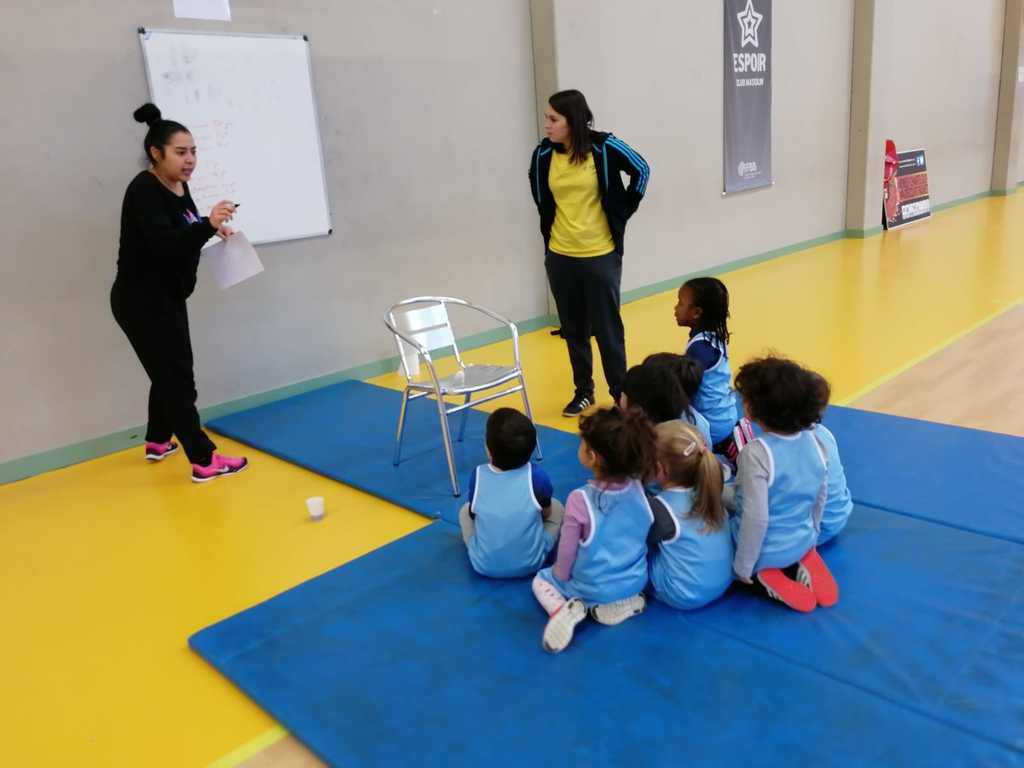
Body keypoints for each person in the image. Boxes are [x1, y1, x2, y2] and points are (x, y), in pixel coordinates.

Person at [111, 103, 247, 483]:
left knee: (169, 371)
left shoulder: (179, 186)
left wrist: (211, 228)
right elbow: (164, 244)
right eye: (181, 152)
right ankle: (204, 460)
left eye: (194, 152)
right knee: (177, 380)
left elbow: (182, 227)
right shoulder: (143, 189)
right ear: (156, 153)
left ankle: (158, 441)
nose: (190, 160)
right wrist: (206, 225)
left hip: (166, 296)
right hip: (141, 300)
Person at [529, 89, 650, 417]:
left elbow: (641, 169)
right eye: (547, 118)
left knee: (607, 330)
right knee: (574, 329)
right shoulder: (542, 154)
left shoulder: (604, 146)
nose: (547, 124)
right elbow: (540, 195)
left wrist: (623, 210)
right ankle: (583, 391)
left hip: (600, 255)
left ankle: (620, 394)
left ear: (573, 121)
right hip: (560, 256)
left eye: (553, 119)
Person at [531, 407, 656, 653]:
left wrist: (559, 575)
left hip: (590, 587)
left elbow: (567, 551)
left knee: (541, 580)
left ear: (592, 456)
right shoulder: (638, 488)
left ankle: (562, 609)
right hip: (635, 580)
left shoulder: (580, 500)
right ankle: (620, 602)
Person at [729, 357, 839, 612]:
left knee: (726, 526)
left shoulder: (756, 453)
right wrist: (813, 534)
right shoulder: (815, 442)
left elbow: (756, 518)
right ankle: (804, 556)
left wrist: (743, 567)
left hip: (767, 551)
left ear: (752, 409)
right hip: (803, 537)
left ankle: (766, 574)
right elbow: (821, 495)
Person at [459, 408, 563, 578]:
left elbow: (472, 514)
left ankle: (482, 547)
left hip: (482, 564)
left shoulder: (478, 475)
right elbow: (547, 512)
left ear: (489, 450)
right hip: (531, 563)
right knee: (557, 507)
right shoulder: (537, 477)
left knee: (464, 511)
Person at [647, 421, 733, 610]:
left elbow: (637, 538)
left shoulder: (660, 508)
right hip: (723, 582)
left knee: (633, 550)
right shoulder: (710, 490)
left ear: (661, 469)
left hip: (683, 593)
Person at [674, 277, 752, 461]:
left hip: (711, 426)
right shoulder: (713, 336)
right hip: (727, 415)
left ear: (696, 313)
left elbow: (686, 388)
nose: (675, 308)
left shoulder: (699, 349)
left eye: (680, 303)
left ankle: (716, 448)